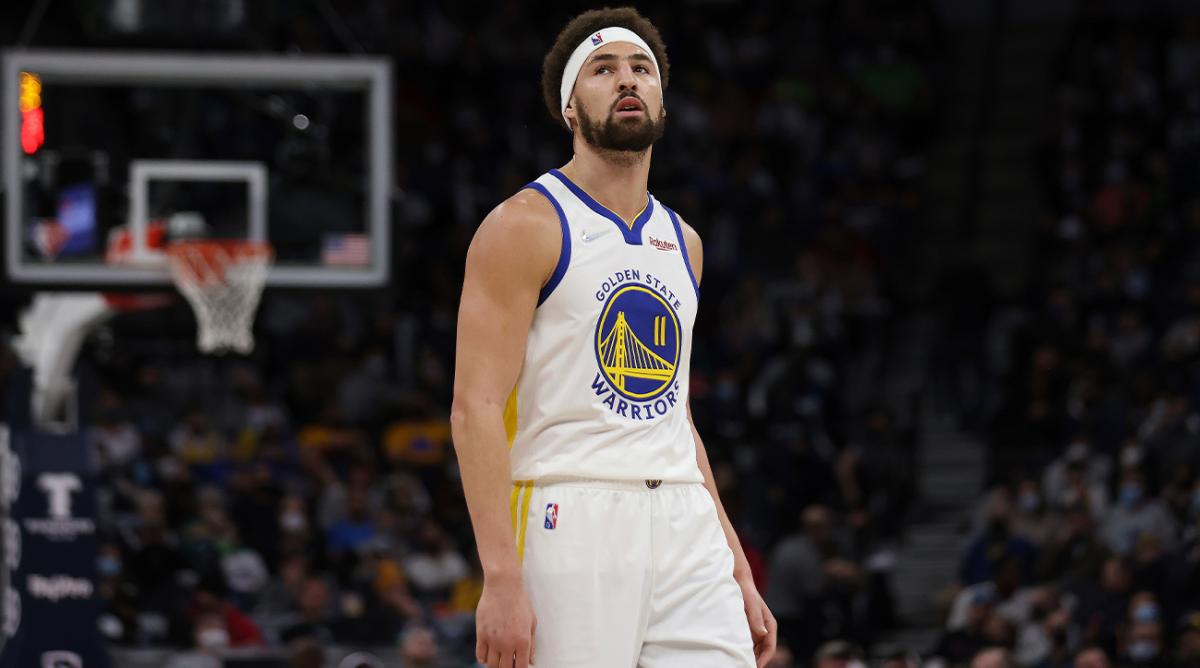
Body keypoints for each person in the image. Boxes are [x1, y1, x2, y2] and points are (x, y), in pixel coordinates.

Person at [451, 7, 774, 667]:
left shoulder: (684, 242)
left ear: (662, 101)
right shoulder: (523, 225)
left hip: (684, 520)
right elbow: (474, 407)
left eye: (641, 69)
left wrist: (735, 561)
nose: (627, 80)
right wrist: (501, 576)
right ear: (569, 108)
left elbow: (676, 416)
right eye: (602, 70)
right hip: (569, 512)